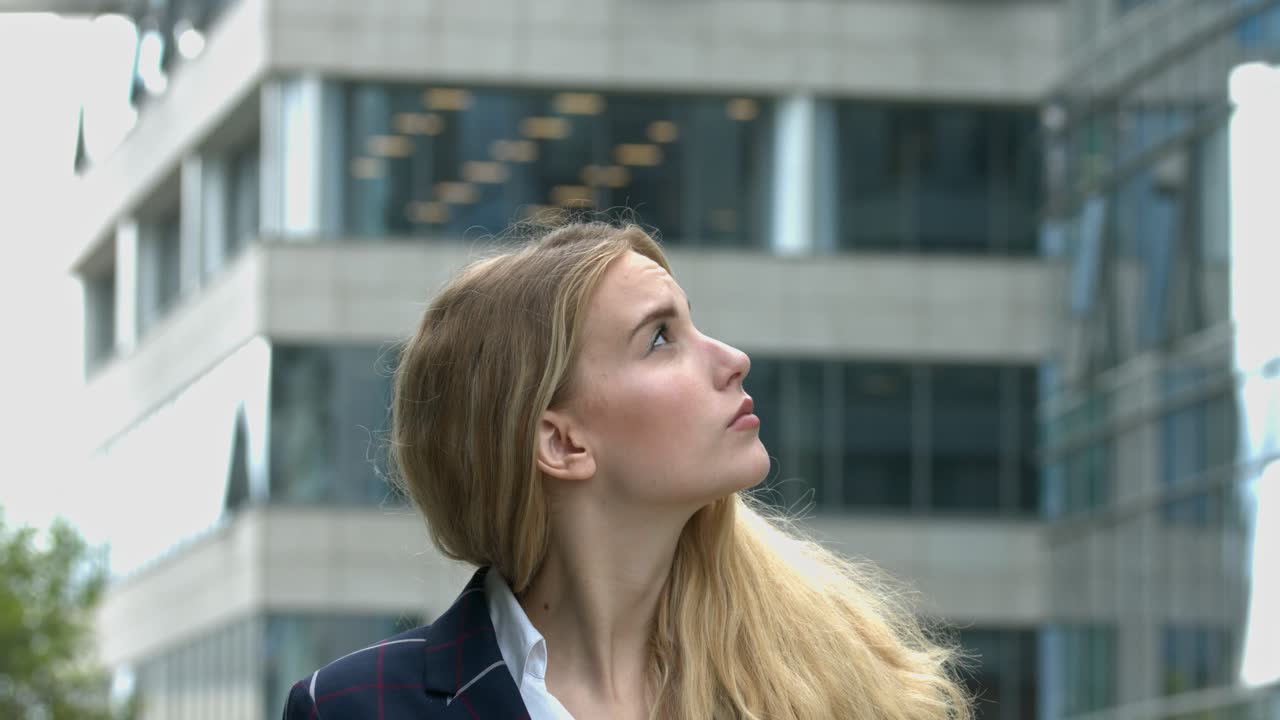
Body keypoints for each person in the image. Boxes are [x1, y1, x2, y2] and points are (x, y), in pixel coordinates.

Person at [282, 220, 972, 719]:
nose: (733, 358)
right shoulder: (354, 709)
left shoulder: (833, 683)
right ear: (561, 443)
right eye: (662, 338)